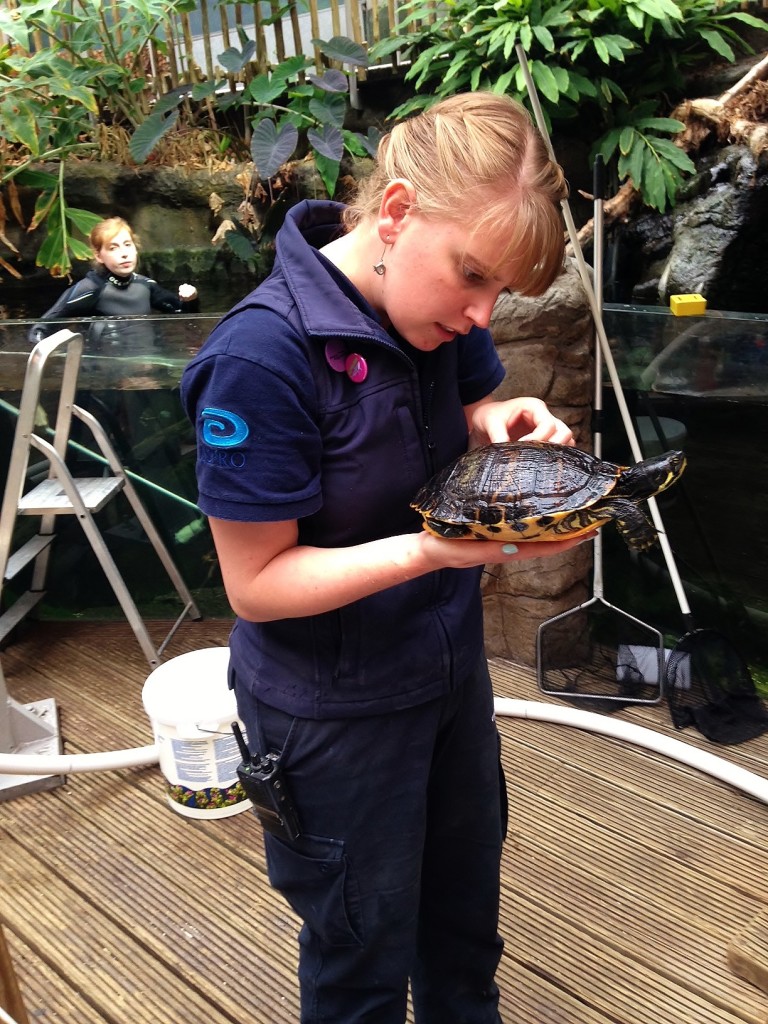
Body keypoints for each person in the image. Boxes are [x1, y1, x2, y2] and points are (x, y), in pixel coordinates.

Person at [181, 91, 589, 1024]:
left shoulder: (433, 313)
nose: (482, 315)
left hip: (446, 680)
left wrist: (498, 419)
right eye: (473, 276)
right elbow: (256, 585)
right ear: (397, 211)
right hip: (332, 714)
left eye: (502, 294)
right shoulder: (259, 360)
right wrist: (432, 553)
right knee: (360, 953)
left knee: (463, 928)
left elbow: (462, 410)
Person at [29, 216, 199, 346]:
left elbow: (186, 316)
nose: (124, 254)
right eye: (113, 248)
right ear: (98, 255)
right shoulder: (90, 289)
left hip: (148, 370)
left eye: (128, 244)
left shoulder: (145, 286)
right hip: (106, 376)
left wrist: (191, 299)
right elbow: (39, 330)